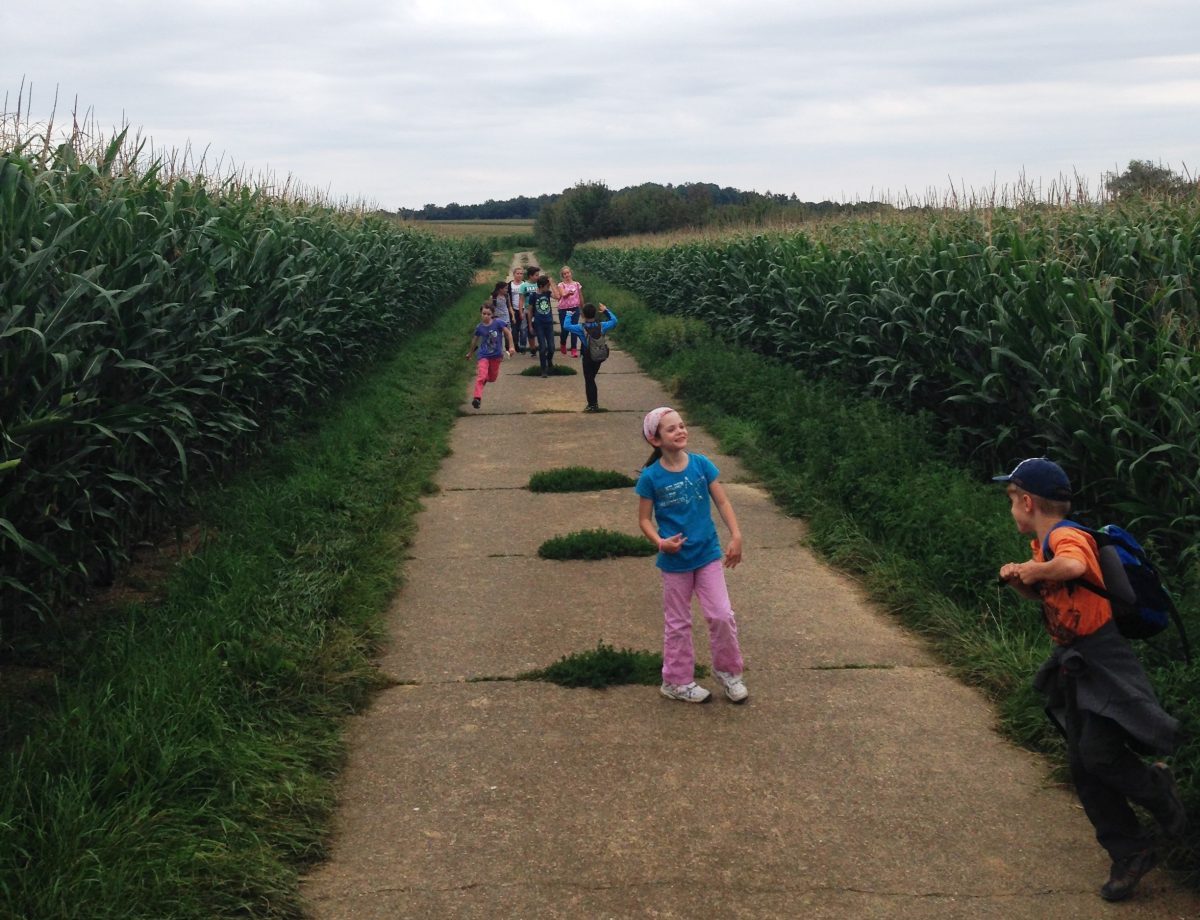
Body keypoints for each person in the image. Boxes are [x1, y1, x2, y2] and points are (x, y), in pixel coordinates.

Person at [995, 457, 1186, 903]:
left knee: (1098, 754)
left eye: (1011, 501)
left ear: (1027, 502)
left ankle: (1159, 787)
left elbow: (1073, 569)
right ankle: (1131, 851)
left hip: (1103, 657)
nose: (1012, 511)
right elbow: (1046, 588)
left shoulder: (1064, 537)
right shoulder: (1042, 546)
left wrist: (1036, 569)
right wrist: (1021, 577)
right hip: (1073, 659)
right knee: (1083, 764)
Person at [636, 407, 748, 704]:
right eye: (671, 429)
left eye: (682, 425)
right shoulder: (651, 477)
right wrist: (660, 542)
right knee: (678, 622)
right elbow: (644, 520)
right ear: (655, 440)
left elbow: (722, 502)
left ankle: (729, 673)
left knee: (721, 614)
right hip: (675, 563)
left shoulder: (701, 465)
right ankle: (676, 681)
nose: (680, 431)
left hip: (708, 554)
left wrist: (735, 535)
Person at [562, 302, 618, 412]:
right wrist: (606, 310)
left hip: (588, 357)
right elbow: (614, 321)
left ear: (583, 315)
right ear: (595, 314)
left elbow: (566, 326)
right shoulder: (602, 326)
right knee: (591, 378)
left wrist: (568, 314)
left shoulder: (580, 328)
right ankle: (593, 404)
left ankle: (592, 405)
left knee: (589, 380)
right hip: (600, 356)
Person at [465, 302, 514, 409]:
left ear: (492, 314)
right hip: (483, 355)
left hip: (496, 356)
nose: (485, 316)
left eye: (488, 314)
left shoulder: (498, 323)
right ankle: (477, 398)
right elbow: (475, 340)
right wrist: (470, 353)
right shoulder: (479, 327)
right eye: (483, 313)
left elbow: (508, 333)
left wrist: (511, 346)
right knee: (481, 376)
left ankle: (485, 379)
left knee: (492, 378)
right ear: (481, 314)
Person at [528, 275, 557, 378]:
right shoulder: (533, 296)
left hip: (548, 323)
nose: (548, 287)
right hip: (539, 324)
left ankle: (549, 360)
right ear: (541, 286)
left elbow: (558, 297)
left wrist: (552, 283)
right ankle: (543, 369)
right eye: (547, 286)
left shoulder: (547, 293)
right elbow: (530, 311)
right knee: (542, 348)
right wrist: (530, 325)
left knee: (552, 347)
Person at [556, 266, 583, 357]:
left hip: (575, 308)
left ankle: (574, 349)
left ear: (571, 273)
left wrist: (583, 308)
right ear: (562, 275)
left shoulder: (577, 284)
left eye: (568, 273)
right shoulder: (561, 285)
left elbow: (580, 296)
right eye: (565, 273)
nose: (567, 275)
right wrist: (568, 293)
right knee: (565, 329)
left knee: (574, 329)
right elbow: (563, 294)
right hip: (564, 309)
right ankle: (563, 342)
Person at [508, 267, 529, 353]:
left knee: (523, 329)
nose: (519, 275)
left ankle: (523, 346)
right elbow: (507, 298)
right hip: (514, 310)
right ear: (514, 274)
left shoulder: (525, 284)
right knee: (514, 329)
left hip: (524, 309)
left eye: (521, 274)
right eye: (518, 273)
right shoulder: (509, 285)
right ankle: (515, 344)